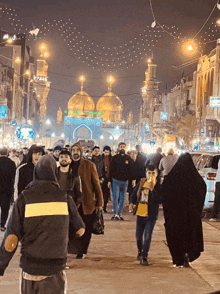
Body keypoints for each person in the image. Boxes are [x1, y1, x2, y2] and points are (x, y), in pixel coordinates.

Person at [0, 155, 85, 293]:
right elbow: (80, 229)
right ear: (54, 172)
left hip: (30, 266)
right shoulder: (64, 197)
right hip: (55, 268)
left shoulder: (24, 198)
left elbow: (11, 239)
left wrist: (1, 268)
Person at [160, 153, 206, 268]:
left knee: (176, 235)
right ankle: (188, 254)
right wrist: (197, 209)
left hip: (175, 216)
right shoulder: (196, 179)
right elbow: (202, 190)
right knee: (190, 235)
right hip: (191, 215)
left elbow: (164, 194)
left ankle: (179, 258)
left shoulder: (172, 178)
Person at [70, 142, 103, 259]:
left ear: (81, 152)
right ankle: (75, 248)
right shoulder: (67, 166)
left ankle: (82, 250)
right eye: (73, 150)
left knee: (86, 227)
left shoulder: (89, 165)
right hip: (72, 203)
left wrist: (99, 203)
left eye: (77, 150)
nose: (75, 152)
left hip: (87, 202)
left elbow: (96, 185)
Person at [129, 165, 160, 266]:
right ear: (146, 174)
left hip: (151, 215)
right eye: (149, 173)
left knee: (147, 235)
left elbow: (160, 199)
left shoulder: (158, 185)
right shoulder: (142, 182)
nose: (151, 175)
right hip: (140, 213)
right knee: (138, 236)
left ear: (156, 174)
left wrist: (153, 190)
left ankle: (145, 256)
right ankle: (140, 251)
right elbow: (134, 194)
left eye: (153, 173)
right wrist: (131, 202)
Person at [108, 142, 134, 220]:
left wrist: (132, 179)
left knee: (122, 198)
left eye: (123, 147)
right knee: (115, 197)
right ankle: (115, 213)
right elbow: (111, 169)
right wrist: (110, 180)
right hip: (116, 180)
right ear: (119, 148)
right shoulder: (115, 158)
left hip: (125, 181)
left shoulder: (128, 158)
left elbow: (131, 169)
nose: (122, 148)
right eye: (121, 146)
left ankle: (120, 213)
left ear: (125, 148)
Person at [0, 147, 16, 232]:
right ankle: (2, 224)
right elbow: (14, 177)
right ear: (7, 153)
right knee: (5, 208)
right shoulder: (11, 163)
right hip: (7, 190)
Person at [102, 146, 112, 212]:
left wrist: (110, 180)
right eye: (105, 152)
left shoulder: (111, 159)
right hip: (102, 178)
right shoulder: (100, 158)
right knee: (101, 193)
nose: (106, 153)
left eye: (108, 152)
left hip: (108, 178)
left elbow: (112, 170)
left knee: (106, 193)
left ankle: (104, 207)